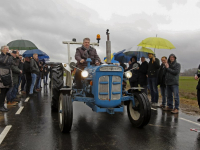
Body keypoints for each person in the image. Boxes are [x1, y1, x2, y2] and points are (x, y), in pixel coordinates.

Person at [0, 46, 15, 111]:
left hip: (8, 74)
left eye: (8, 48)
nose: (8, 50)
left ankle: (2, 105)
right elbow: (3, 61)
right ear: (2, 50)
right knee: (2, 91)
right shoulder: (1, 56)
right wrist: (7, 56)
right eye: (6, 48)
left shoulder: (8, 56)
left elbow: (12, 63)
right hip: (2, 74)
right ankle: (1, 106)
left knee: (6, 90)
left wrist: (12, 56)